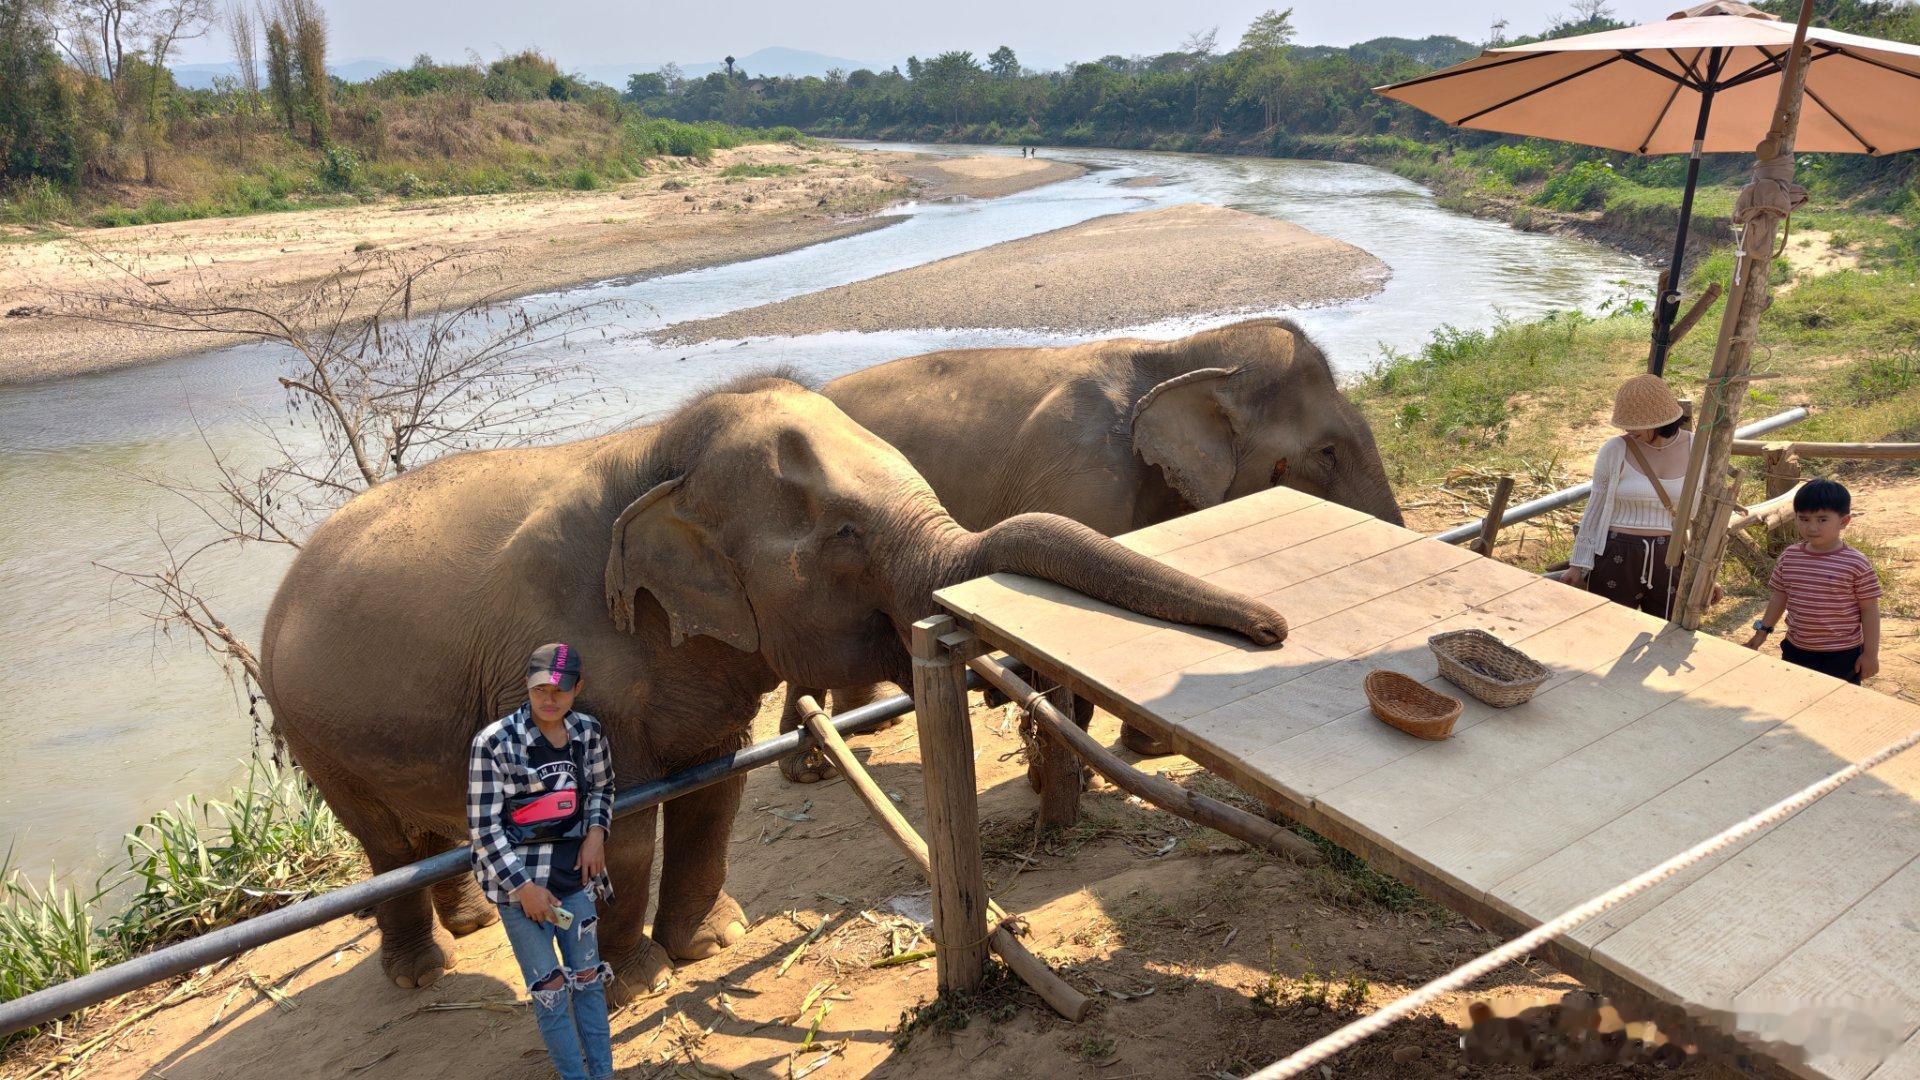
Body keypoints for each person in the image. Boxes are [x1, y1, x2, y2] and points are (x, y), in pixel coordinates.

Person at [468, 642, 617, 1080]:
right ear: (526, 688)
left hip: (576, 878)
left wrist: (595, 834)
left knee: (588, 981)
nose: (549, 700)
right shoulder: (493, 743)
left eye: (560, 690)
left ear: (578, 688)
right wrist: (523, 889)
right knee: (551, 991)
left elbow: (602, 789)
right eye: (540, 691)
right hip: (523, 891)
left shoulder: (588, 732)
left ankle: (603, 1074)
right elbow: (483, 828)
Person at [1559, 374, 1693, 618]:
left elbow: (1701, 516)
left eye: (1636, 424)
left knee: (1669, 635)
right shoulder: (1615, 450)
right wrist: (1578, 565)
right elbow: (1595, 509)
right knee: (1608, 631)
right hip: (1616, 555)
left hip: (1670, 557)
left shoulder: (1696, 448)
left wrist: (1705, 575)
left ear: (1659, 420)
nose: (1628, 430)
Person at [1745, 479, 1882, 684]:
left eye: (1822, 519)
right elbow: (1779, 597)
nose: (1812, 527)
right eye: (1804, 519)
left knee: (1836, 706)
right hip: (1796, 649)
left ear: (1844, 522)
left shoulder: (1856, 563)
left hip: (1842, 654)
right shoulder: (1789, 557)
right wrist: (1761, 632)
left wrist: (1870, 655)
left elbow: (1869, 609)